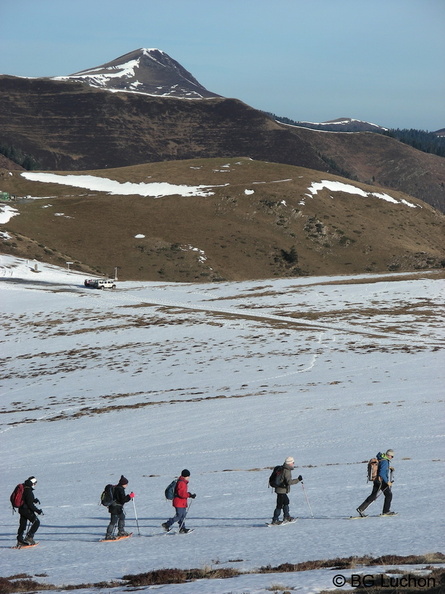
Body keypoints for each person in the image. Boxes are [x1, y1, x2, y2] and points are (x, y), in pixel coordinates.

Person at [356, 449, 395, 517]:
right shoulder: (385, 461)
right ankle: (386, 511)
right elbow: (382, 473)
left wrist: (388, 468)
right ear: (389, 455)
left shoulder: (381, 458)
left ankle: (361, 508)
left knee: (374, 495)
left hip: (376, 480)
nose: (392, 458)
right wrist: (387, 482)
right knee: (388, 495)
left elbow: (380, 468)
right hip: (381, 481)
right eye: (392, 456)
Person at [162, 469, 196, 534]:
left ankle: (182, 528)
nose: (189, 478)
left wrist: (189, 495)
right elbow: (181, 494)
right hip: (179, 502)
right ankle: (167, 524)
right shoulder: (182, 483)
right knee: (179, 515)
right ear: (185, 476)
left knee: (183, 515)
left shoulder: (182, 482)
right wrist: (189, 495)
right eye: (188, 476)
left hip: (181, 502)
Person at [271, 457, 303, 524]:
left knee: (286, 502)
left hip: (280, 490)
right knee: (279, 505)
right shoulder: (287, 470)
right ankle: (275, 519)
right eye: (293, 462)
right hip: (281, 490)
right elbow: (289, 482)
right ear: (289, 463)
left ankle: (286, 516)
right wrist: (298, 480)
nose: (293, 464)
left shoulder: (282, 468)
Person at [104, 475, 135, 540]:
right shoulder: (119, 489)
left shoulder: (118, 488)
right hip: (115, 508)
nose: (127, 485)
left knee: (122, 517)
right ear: (123, 484)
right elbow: (122, 500)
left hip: (117, 508)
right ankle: (108, 535)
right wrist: (129, 496)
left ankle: (121, 531)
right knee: (113, 522)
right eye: (126, 484)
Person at [17, 476, 43, 546]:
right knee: (36, 522)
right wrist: (38, 511)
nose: (35, 485)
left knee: (22, 524)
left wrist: (34, 500)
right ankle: (29, 537)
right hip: (26, 510)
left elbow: (26, 499)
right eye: (35, 483)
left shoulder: (24, 488)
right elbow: (30, 504)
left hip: (21, 509)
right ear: (32, 483)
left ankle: (20, 540)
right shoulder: (28, 491)